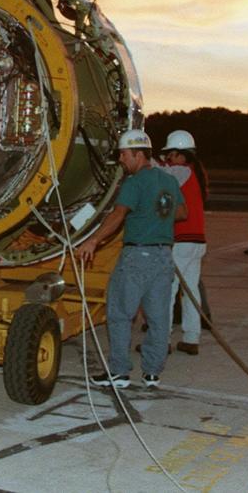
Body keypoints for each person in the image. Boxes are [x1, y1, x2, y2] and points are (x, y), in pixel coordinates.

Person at [78, 128, 187, 389]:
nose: (121, 160)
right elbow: (181, 212)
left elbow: (118, 215)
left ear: (139, 155)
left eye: (124, 155)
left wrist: (94, 240)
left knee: (119, 314)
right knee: (158, 317)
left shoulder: (134, 182)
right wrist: (157, 216)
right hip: (163, 257)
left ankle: (119, 372)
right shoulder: (169, 180)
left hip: (137, 255)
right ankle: (152, 373)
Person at [161, 129, 207, 356]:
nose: (168, 159)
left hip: (182, 240)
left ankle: (162, 339)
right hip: (197, 240)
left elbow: (160, 175)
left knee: (167, 290)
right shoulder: (197, 173)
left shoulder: (181, 171)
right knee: (190, 291)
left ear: (182, 155)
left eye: (171, 154)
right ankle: (191, 338)